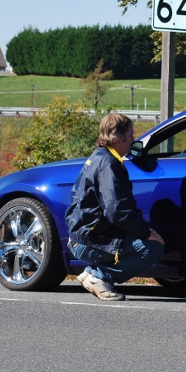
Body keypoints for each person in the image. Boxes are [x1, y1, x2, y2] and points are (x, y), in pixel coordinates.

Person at [65, 113, 165, 301]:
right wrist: (146, 232)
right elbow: (117, 211)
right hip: (90, 240)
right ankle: (99, 276)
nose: (134, 139)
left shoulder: (100, 157)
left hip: (86, 235)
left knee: (147, 240)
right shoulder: (108, 165)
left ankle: (94, 273)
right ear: (119, 138)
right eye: (131, 134)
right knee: (152, 247)